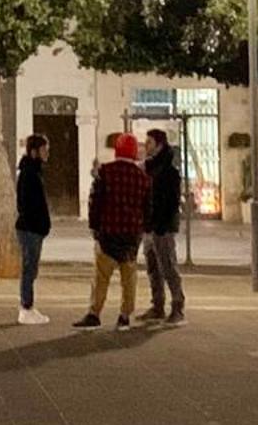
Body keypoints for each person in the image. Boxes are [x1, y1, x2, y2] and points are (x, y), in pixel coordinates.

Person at [73, 132, 151, 330]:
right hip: (131, 234)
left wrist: (94, 226)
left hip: (108, 231)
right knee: (129, 277)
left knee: (101, 276)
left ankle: (94, 313)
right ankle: (125, 316)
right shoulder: (142, 178)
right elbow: (147, 207)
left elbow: (95, 201)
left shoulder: (105, 172)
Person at [139, 128, 186, 325]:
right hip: (149, 225)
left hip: (162, 226)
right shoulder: (149, 168)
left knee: (167, 266)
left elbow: (170, 201)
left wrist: (160, 224)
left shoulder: (168, 170)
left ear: (159, 144)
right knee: (153, 267)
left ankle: (177, 307)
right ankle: (157, 305)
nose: (145, 146)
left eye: (149, 142)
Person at [14, 134, 53, 325]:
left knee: (31, 268)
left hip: (34, 229)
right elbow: (25, 204)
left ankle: (28, 305)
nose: (47, 153)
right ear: (34, 151)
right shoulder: (29, 173)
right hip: (30, 229)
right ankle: (26, 308)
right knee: (29, 269)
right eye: (45, 149)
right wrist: (38, 223)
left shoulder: (34, 171)